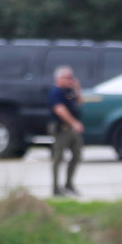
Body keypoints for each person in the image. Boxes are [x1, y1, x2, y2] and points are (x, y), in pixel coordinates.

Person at [48, 65, 83, 197]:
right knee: (58, 157)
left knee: (77, 155)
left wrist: (77, 89)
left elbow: (79, 103)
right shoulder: (55, 92)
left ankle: (69, 184)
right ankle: (56, 188)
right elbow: (59, 110)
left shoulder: (70, 91)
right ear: (60, 78)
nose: (71, 80)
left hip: (72, 129)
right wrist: (74, 123)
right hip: (61, 128)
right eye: (68, 77)